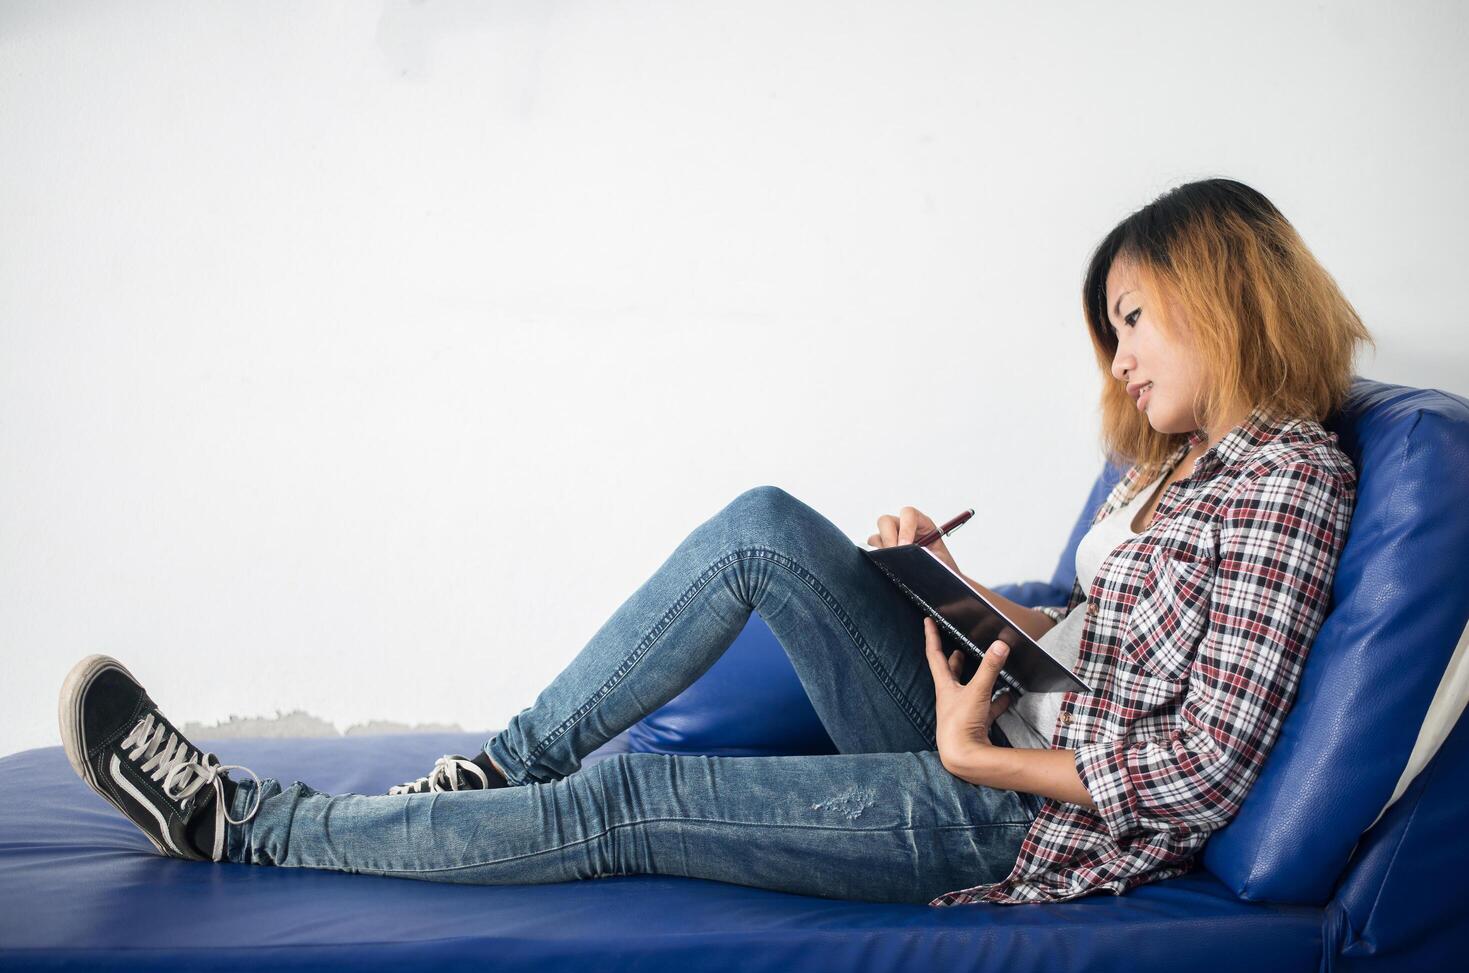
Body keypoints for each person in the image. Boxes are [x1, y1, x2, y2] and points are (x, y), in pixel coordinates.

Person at [57, 177, 1371, 906]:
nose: (1120, 355)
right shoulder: (1185, 470)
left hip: (1019, 824)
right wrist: (958, 591)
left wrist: (973, 755)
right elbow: (1115, 664)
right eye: (1115, 326)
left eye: (1136, 317)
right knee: (760, 528)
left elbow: (1200, 772)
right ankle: (495, 771)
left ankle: (241, 822)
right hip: (1009, 731)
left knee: (631, 801)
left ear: (1223, 291)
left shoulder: (1288, 474)